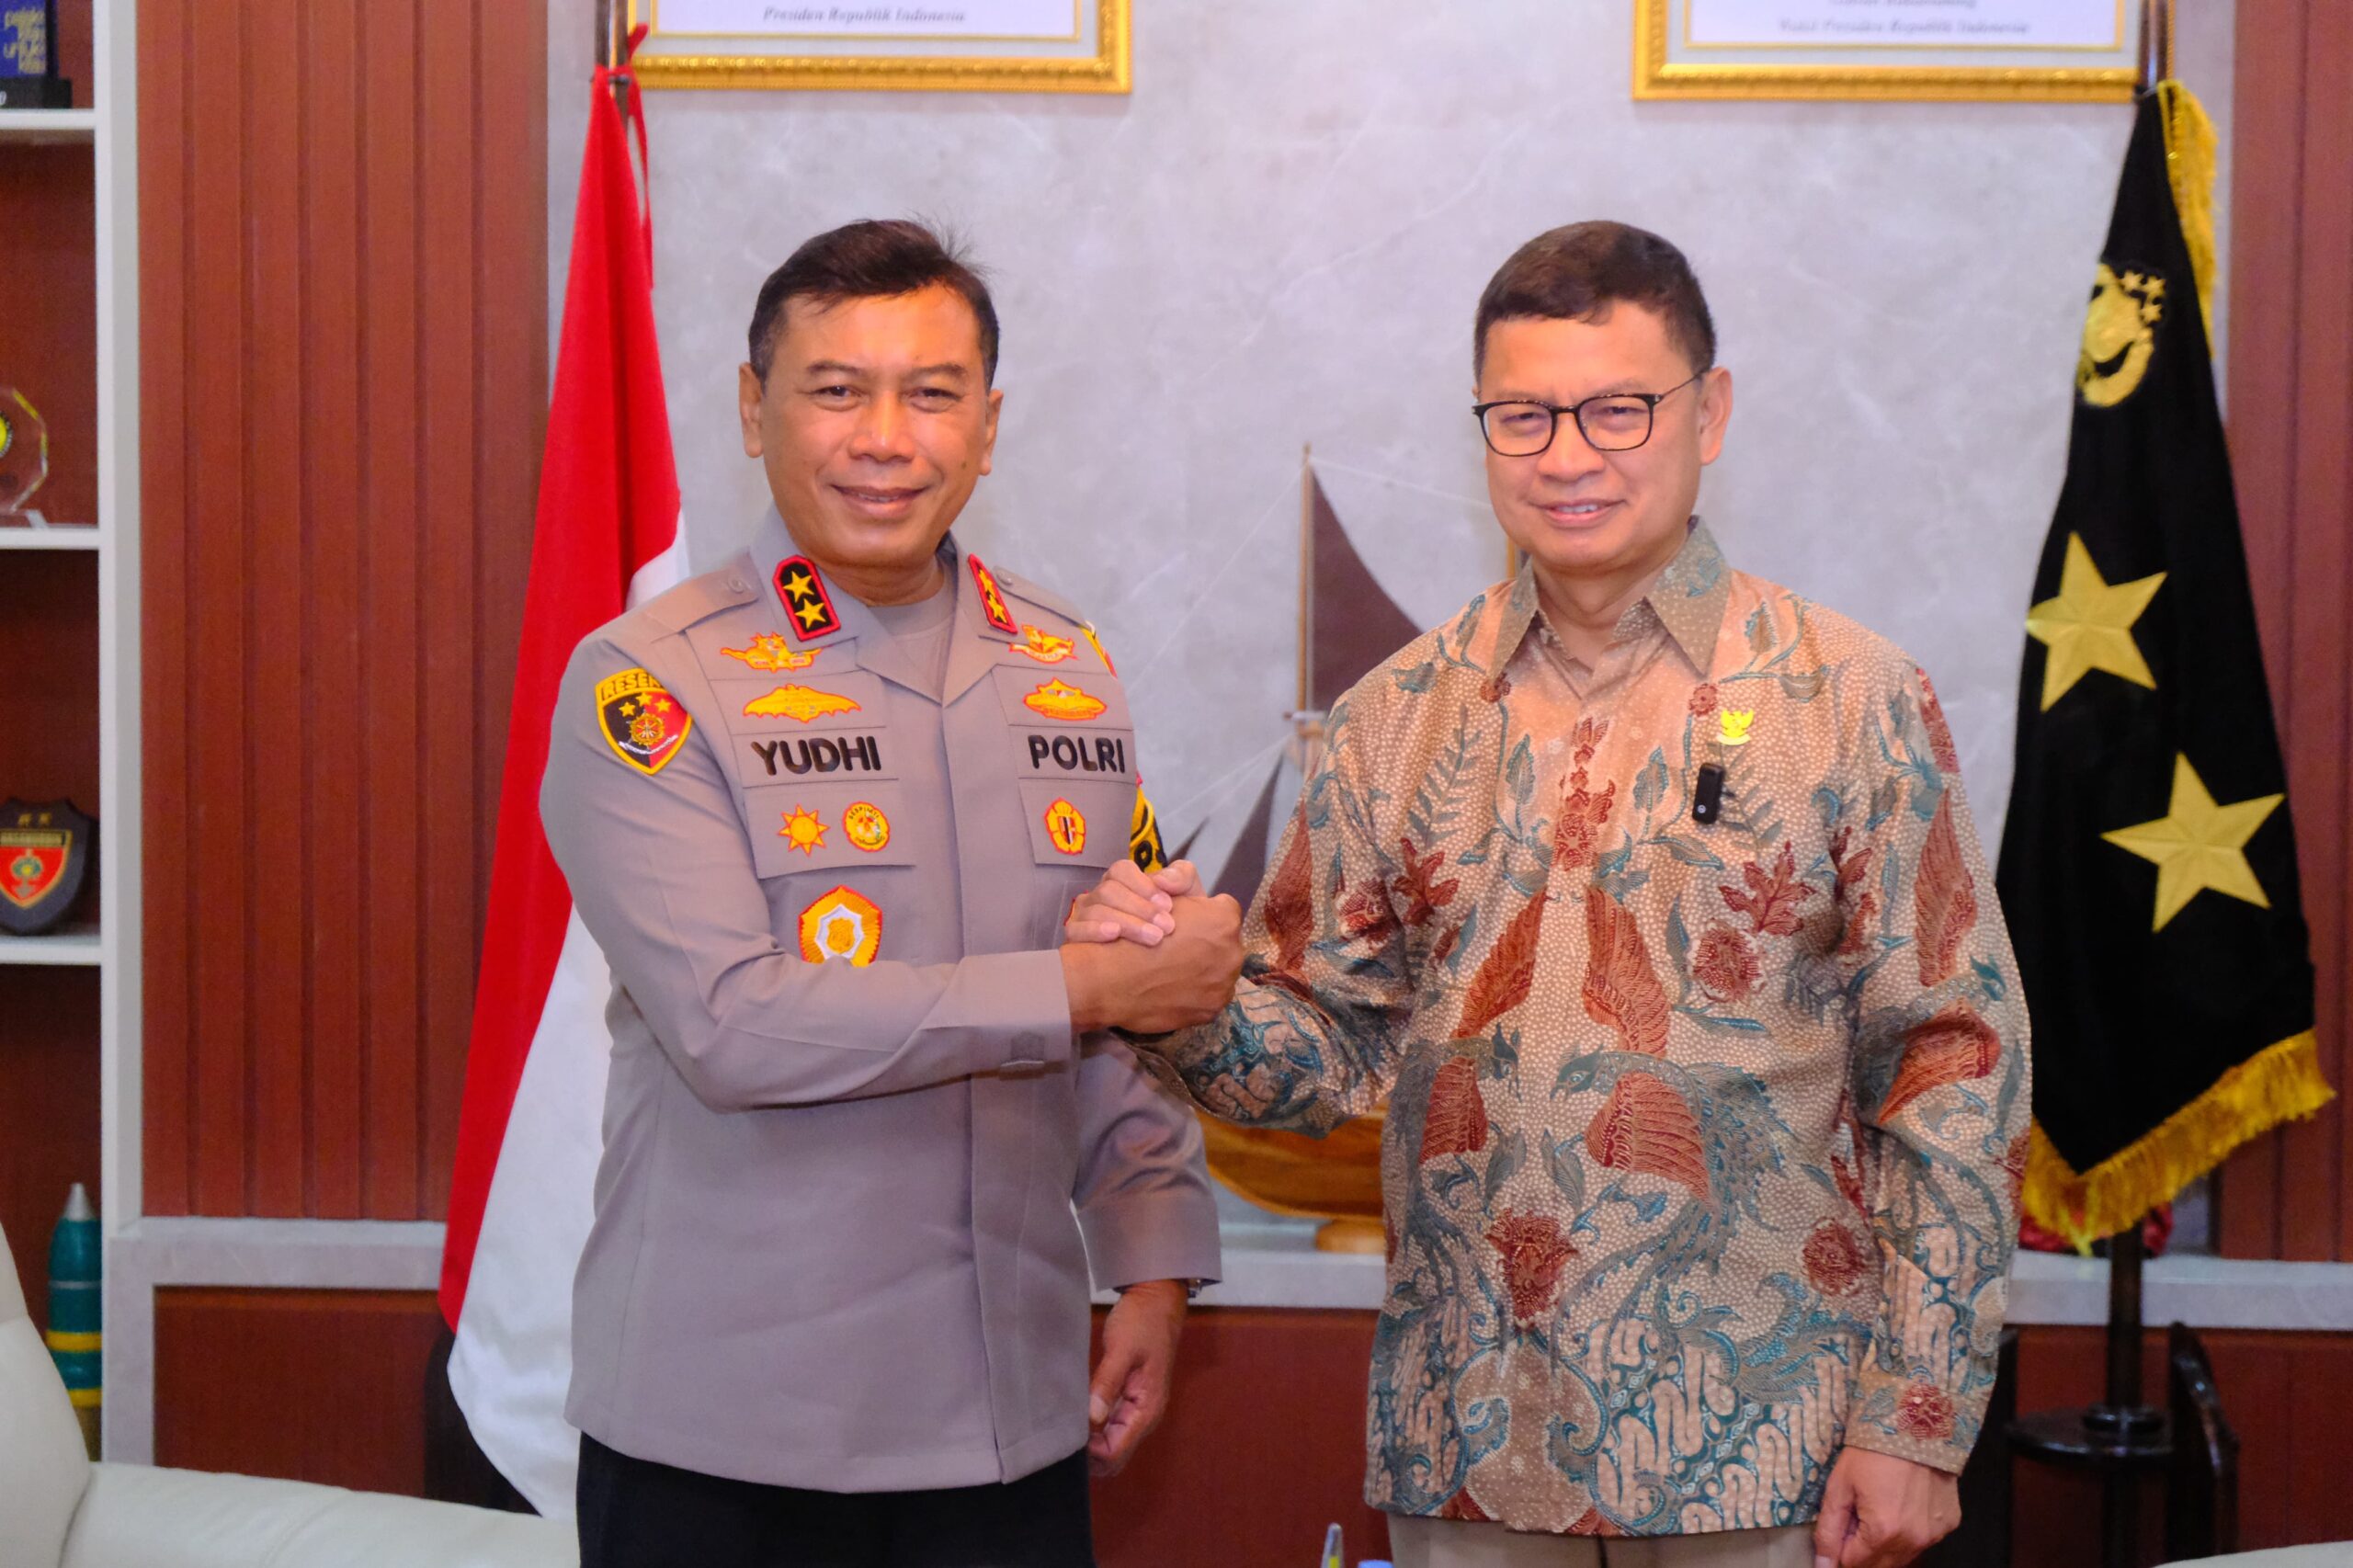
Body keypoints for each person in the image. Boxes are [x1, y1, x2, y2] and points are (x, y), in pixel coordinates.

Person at [1072, 222, 2030, 1568]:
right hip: (1469, 1449)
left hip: (1775, 1454)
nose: (1568, 455)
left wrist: (1917, 1420)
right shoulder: (1394, 717)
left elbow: (1954, 1061)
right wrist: (1170, 989)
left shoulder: (1847, 697)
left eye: (1618, 408)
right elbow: (1327, 1053)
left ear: (1711, 412)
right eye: (1522, 415)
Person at [541, 219, 1237, 1568]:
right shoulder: (648, 684)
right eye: (835, 389)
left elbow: (1128, 999)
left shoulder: (1067, 670)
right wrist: (1080, 985)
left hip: (1013, 1423)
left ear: (988, 426)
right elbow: (734, 1024)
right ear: (754, 410)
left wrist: (1154, 1261)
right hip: (727, 1440)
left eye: (931, 393)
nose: (885, 438)